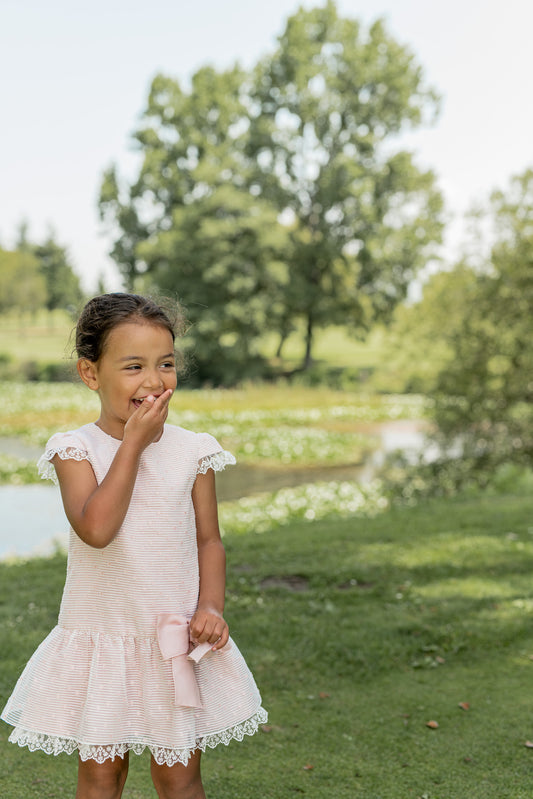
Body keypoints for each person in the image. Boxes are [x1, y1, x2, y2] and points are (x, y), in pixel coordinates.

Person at [1, 293, 267, 799]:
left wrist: (211, 604)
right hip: (104, 638)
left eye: (165, 364)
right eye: (134, 366)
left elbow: (209, 540)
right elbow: (96, 529)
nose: (154, 380)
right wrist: (133, 446)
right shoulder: (74, 449)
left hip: (172, 641)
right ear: (90, 373)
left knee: (179, 774)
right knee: (104, 773)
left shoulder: (194, 450)